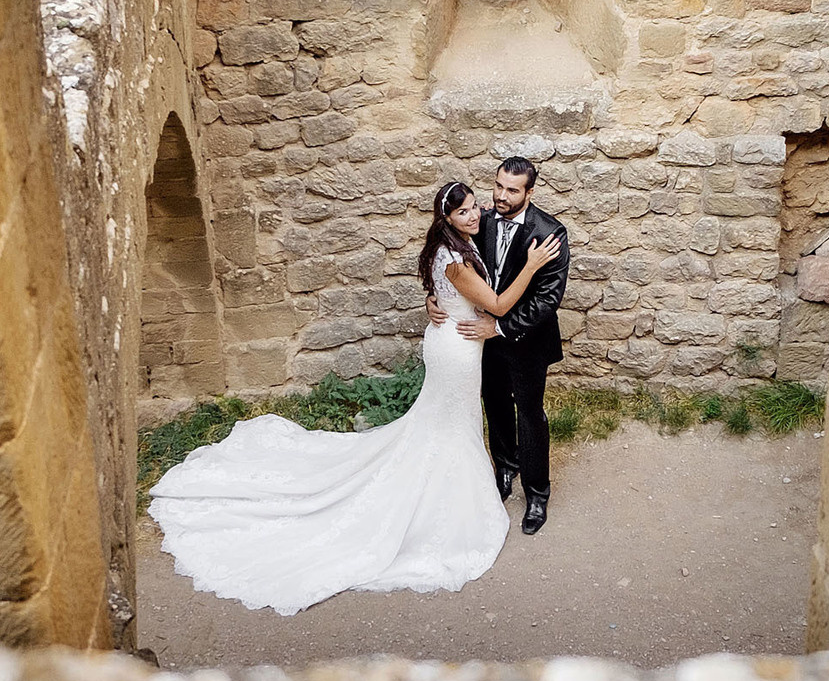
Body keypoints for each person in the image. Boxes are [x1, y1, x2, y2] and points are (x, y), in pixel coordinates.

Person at [148, 183, 561, 615]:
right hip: (458, 348)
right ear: (447, 220)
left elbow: (453, 283)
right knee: (450, 423)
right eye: (465, 213)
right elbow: (493, 302)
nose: (476, 215)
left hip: (455, 340)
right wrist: (530, 266)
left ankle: (500, 480)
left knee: (444, 420)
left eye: (476, 207)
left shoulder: (453, 246)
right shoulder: (454, 256)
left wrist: (436, 297)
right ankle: (449, 493)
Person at [428, 155, 571, 536]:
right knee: (495, 406)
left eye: (512, 190)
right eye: (498, 186)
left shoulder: (551, 233)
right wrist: (434, 298)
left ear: (530, 191)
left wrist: (501, 328)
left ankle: (537, 492)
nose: (501, 197)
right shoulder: (482, 220)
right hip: (480, 340)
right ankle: (505, 469)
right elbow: (450, 264)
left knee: (529, 414)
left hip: (525, 341)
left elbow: (547, 300)